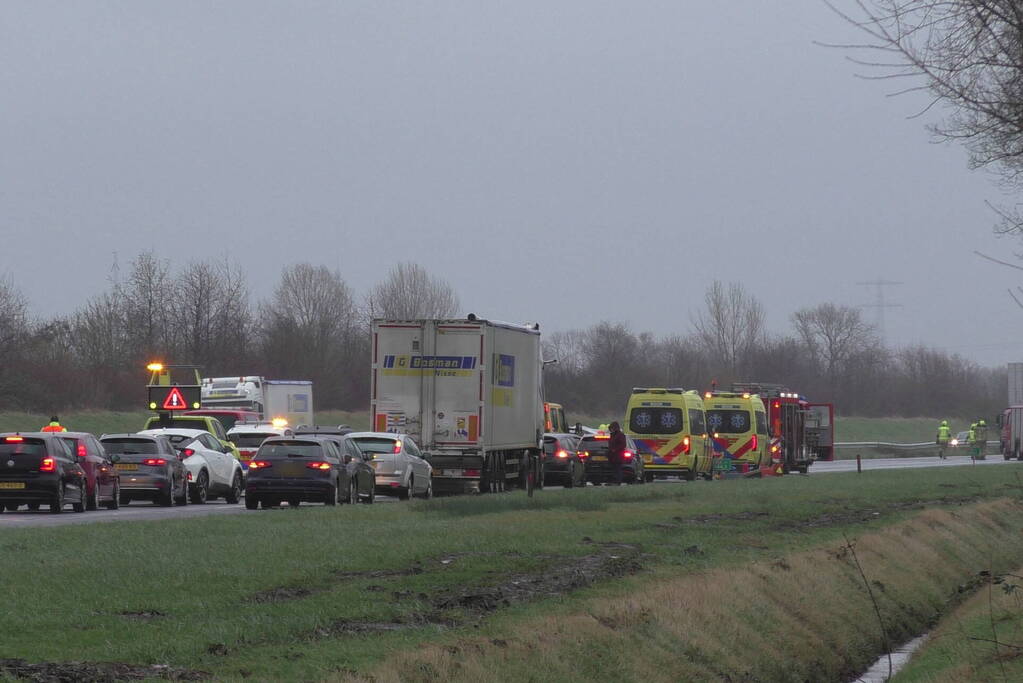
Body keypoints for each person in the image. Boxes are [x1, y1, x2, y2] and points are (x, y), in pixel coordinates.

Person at [607, 421, 627, 486]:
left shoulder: (620, 435)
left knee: (618, 469)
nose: (611, 430)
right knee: (614, 469)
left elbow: (623, 444)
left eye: (612, 428)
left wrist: (615, 449)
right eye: (610, 428)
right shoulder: (612, 435)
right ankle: (614, 481)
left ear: (615, 428)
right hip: (612, 456)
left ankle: (617, 482)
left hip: (618, 456)